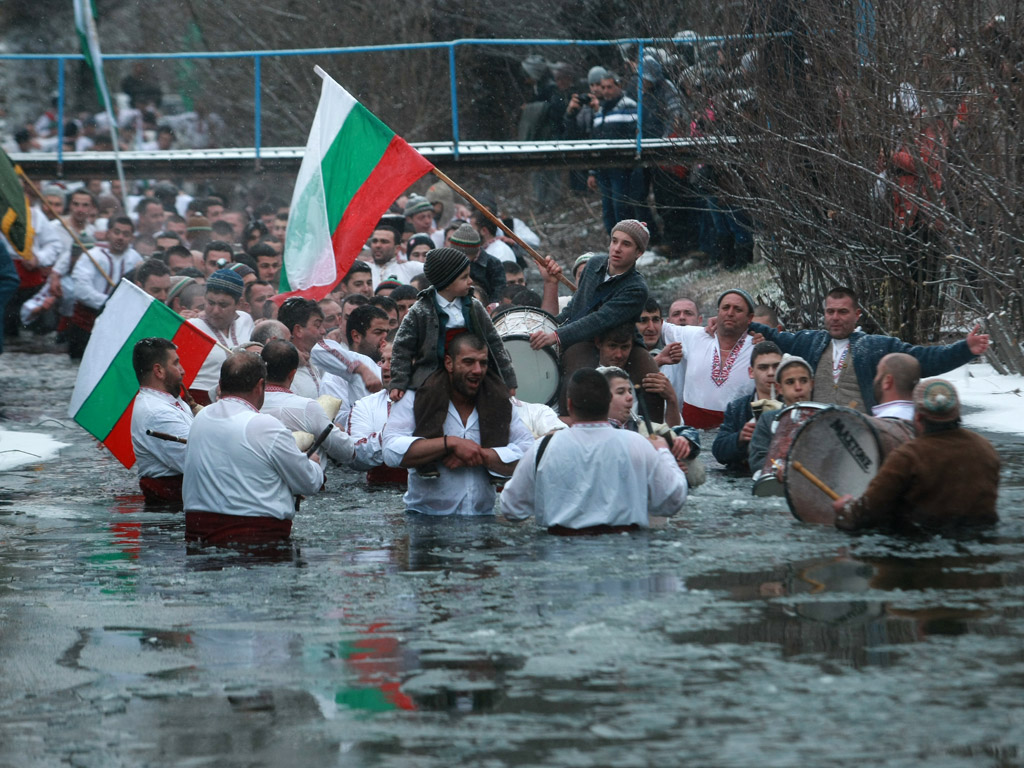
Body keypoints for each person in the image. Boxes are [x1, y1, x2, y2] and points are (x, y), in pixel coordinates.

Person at [501, 368, 687, 533]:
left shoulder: (543, 447)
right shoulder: (638, 444)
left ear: (570, 405)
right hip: (627, 556)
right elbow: (673, 500)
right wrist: (663, 452)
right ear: (608, 402)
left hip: (560, 558)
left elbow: (511, 508)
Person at [750, 286, 989, 413]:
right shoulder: (808, 341)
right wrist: (722, 324)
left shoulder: (876, 346)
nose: (835, 318)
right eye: (830, 312)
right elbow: (769, 333)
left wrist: (965, 349)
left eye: (842, 312)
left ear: (856, 315)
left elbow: (923, 360)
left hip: (863, 434)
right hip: (815, 432)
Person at [382, 333, 534, 516]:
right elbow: (390, 450)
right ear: (449, 363)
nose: (478, 370)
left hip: (484, 520)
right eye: (469, 362)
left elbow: (530, 454)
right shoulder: (416, 397)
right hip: (424, 520)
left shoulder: (499, 402)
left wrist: (482, 455)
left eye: (483, 363)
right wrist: (450, 444)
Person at [183, 351, 324, 545]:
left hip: (199, 537)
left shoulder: (200, 419)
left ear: (220, 385)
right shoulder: (266, 425)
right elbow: (308, 483)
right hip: (256, 542)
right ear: (260, 386)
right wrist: (314, 464)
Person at [832, 379, 1000, 531]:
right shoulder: (986, 448)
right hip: (980, 545)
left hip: (919, 550)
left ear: (918, 417)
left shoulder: (908, 457)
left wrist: (845, 509)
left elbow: (865, 514)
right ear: (956, 414)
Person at [532, 219, 658, 411]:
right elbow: (576, 306)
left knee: (653, 383)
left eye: (626, 244)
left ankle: (655, 432)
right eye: (614, 241)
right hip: (585, 339)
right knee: (575, 380)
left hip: (622, 342)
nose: (616, 248)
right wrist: (551, 325)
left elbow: (600, 319)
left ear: (639, 253)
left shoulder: (637, 288)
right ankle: (568, 422)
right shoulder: (594, 264)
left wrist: (557, 336)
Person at [662, 289, 756, 428]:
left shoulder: (757, 346)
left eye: (738, 309)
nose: (730, 313)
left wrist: (763, 332)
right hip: (693, 437)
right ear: (717, 312)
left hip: (734, 435)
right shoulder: (696, 335)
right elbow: (656, 324)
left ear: (750, 318)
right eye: (725, 308)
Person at [259, 339, 356, 465]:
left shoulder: (247, 404)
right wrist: (337, 430)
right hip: (304, 479)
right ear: (293, 373)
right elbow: (347, 451)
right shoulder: (307, 408)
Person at [129, 337, 196, 503]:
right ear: (158, 371)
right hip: (172, 508)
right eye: (176, 363)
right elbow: (197, 463)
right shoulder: (156, 413)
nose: (182, 371)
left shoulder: (169, 400)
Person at [68, 216, 142, 359]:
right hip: (87, 322)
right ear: (108, 233)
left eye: (125, 234)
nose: (120, 237)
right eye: (117, 232)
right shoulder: (91, 256)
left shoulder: (136, 260)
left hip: (118, 324)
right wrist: (110, 303)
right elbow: (81, 290)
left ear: (132, 238)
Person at [712, 341, 782, 472]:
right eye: (763, 368)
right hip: (742, 476)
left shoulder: (792, 406)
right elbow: (718, 451)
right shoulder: (737, 408)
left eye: (776, 366)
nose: (771, 373)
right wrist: (740, 438)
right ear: (751, 372)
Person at [188, 269, 254, 404]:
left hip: (242, 402)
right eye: (211, 303)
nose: (215, 311)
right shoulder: (192, 328)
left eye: (223, 305)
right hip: (200, 405)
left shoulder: (246, 320)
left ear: (239, 303)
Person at [347, 342, 407, 484]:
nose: (384, 367)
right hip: (379, 493)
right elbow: (353, 456)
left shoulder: (432, 401)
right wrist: (388, 434)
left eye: (393, 360)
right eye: (383, 360)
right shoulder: (365, 405)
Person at [587, 73, 639, 233]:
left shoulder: (628, 105)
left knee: (621, 206)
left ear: (619, 86)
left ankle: (628, 241)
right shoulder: (601, 109)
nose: (606, 91)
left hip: (621, 166)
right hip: (604, 166)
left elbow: (634, 133)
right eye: (603, 87)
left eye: (610, 87)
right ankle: (614, 242)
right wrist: (593, 171)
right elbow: (596, 140)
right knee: (608, 208)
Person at [748, 353, 814, 474]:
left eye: (803, 381)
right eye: (790, 382)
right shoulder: (767, 421)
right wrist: (778, 469)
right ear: (780, 389)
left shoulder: (826, 418)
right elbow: (757, 461)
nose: (798, 387)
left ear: (811, 384)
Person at [277, 297, 327, 398]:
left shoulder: (317, 357)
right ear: (298, 330)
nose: (323, 331)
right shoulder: (279, 365)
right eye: (317, 325)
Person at [449, 222, 506, 300]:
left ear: (476, 252)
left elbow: (498, 294)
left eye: (465, 257)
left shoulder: (493, 265)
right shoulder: (448, 263)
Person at [871, 353, 920, 420]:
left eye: (877, 373)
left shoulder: (885, 422)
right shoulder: (922, 418)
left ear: (887, 381)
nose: (874, 379)